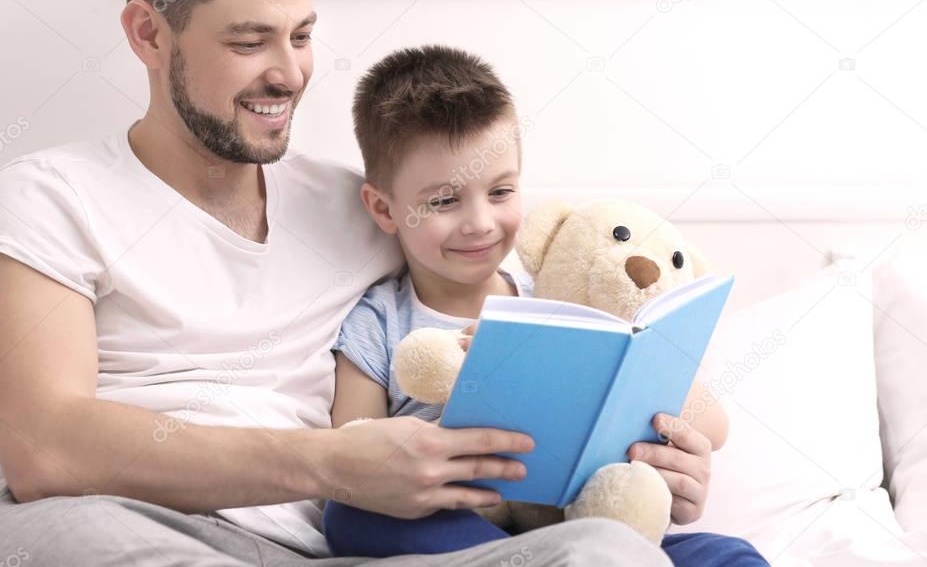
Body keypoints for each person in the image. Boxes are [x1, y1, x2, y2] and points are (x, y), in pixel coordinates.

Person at [0, 0, 673, 565]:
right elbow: (44, 450)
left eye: (301, 35)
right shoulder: (49, 196)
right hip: (115, 523)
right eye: (248, 41)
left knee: (604, 552)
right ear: (148, 33)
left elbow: (503, 342)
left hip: (327, 547)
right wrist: (328, 462)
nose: (289, 72)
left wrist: (642, 457)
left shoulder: (364, 208)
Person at [322, 45, 768, 567]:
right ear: (383, 207)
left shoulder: (556, 297)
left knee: (730, 554)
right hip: (464, 530)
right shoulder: (380, 321)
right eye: (444, 201)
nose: (480, 222)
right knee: (352, 517)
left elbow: (711, 421)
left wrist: (680, 453)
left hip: (577, 522)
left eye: (501, 191)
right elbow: (349, 458)